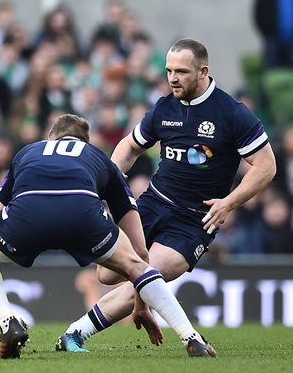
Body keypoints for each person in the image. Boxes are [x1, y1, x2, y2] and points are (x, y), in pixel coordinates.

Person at [57, 39, 277, 351]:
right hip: (152, 203)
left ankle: (75, 333)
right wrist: (112, 181)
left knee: (149, 274)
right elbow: (130, 145)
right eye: (169, 70)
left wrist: (229, 202)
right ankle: (144, 307)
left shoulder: (232, 114)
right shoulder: (163, 108)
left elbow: (266, 166)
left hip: (195, 220)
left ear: (203, 72)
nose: (173, 78)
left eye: (182, 72)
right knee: (106, 274)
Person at [0, 113, 216, 359]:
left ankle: (7, 322)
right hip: (83, 215)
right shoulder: (98, 157)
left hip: (28, 214)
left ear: (50, 137)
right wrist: (141, 305)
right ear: (85, 141)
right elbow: (141, 252)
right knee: (136, 265)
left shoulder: (28, 152)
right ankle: (190, 337)